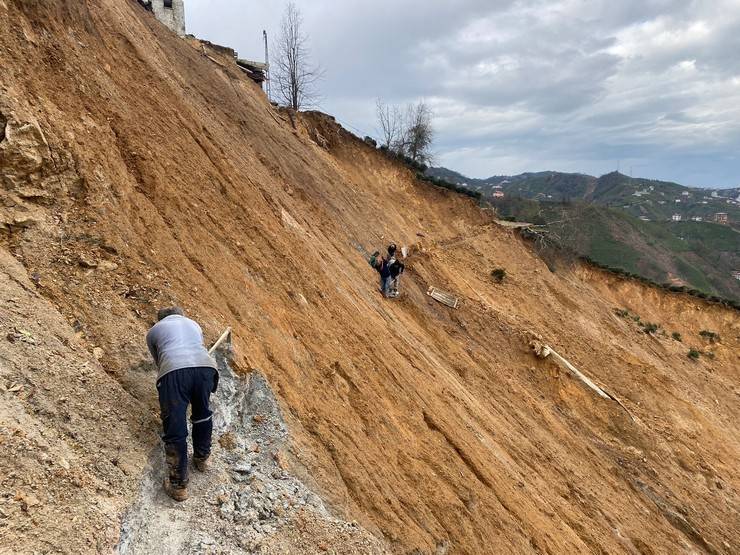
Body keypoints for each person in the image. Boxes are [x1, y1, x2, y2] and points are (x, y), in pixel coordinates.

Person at [146, 306, 219, 501]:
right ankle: (202, 458)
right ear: (181, 315)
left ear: (160, 319)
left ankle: (178, 486)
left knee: (175, 426)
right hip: (206, 367)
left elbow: (160, 362)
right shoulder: (193, 324)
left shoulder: (153, 331)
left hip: (174, 372)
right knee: (202, 414)